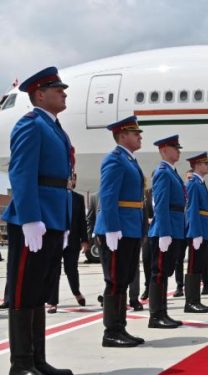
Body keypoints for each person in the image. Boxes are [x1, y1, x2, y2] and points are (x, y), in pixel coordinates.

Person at [2, 66, 74, 374]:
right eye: (57, 89)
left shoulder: (56, 128)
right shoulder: (30, 124)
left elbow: (63, 181)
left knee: (39, 291)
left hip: (54, 219)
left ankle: (37, 360)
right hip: (34, 221)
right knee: (23, 291)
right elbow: (21, 173)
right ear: (39, 95)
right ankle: (20, 364)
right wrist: (30, 218)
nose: (64, 92)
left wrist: (66, 221)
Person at [94, 115, 146, 347]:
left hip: (130, 228)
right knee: (114, 281)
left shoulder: (130, 160)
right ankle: (111, 332)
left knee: (123, 279)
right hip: (118, 230)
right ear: (122, 136)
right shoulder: (114, 159)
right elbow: (107, 195)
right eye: (135, 133)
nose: (139, 136)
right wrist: (112, 228)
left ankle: (120, 328)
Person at [147, 135, 186, 329]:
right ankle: (156, 315)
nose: (178, 151)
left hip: (174, 227)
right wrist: (163, 231)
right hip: (166, 228)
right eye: (174, 147)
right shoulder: (163, 172)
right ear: (163, 150)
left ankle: (163, 312)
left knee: (165, 272)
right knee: (159, 273)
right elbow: (160, 204)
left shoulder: (173, 172)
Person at [47, 172, 88, 314]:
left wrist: (85, 240)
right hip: (56, 238)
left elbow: (82, 221)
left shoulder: (79, 198)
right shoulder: (54, 195)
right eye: (69, 178)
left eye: (73, 179)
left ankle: (76, 292)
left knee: (71, 269)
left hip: (72, 239)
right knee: (54, 270)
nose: (71, 181)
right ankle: (52, 302)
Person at [183, 153, 208, 313]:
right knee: (194, 266)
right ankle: (191, 302)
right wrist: (195, 232)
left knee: (200, 265)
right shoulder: (193, 184)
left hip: (203, 229)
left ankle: (196, 300)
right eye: (205, 163)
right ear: (197, 165)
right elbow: (192, 209)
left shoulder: (200, 183)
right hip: (197, 230)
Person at [173, 169, 194, 298]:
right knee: (178, 260)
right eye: (188, 178)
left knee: (194, 259)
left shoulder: (197, 191)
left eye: (192, 178)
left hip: (191, 230)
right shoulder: (181, 192)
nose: (189, 180)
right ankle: (179, 286)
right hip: (180, 231)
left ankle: (194, 285)